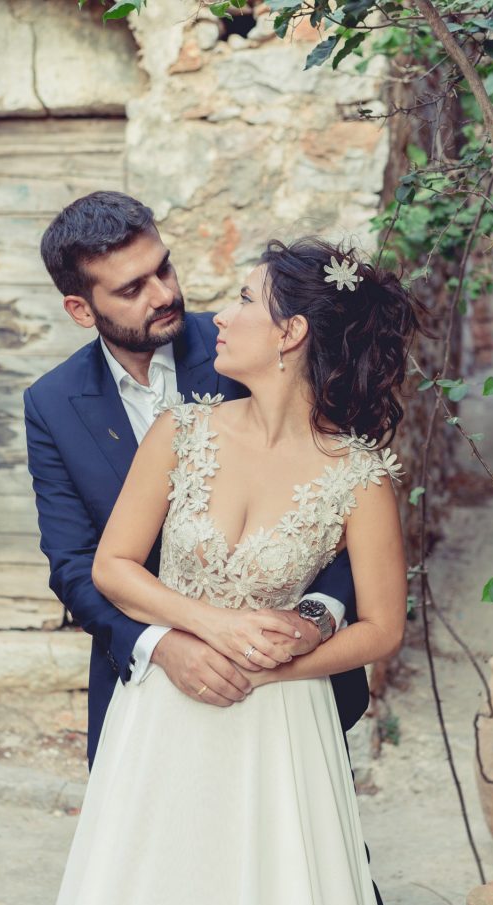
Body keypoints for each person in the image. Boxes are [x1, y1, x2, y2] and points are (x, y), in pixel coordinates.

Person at [22, 227, 419, 905]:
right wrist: (197, 631)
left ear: (293, 333)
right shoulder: (180, 428)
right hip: (164, 708)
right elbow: (101, 565)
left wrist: (286, 651)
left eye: (243, 299)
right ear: (83, 306)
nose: (205, 307)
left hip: (281, 722)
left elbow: (381, 626)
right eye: (129, 287)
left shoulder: (359, 472)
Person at [25, 191, 370, 767]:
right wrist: (165, 646)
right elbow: (73, 562)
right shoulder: (52, 403)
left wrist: (313, 620)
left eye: (162, 267)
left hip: (282, 680)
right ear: (82, 311)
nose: (163, 294)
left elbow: (343, 497)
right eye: (132, 289)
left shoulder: (253, 346)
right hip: (145, 677)